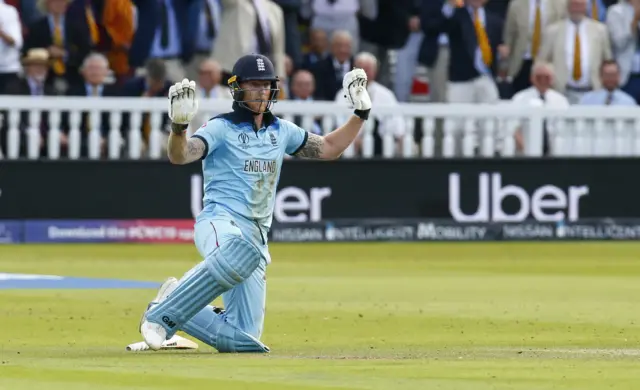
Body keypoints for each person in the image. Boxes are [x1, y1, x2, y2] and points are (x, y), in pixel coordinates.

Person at [135, 53, 371, 353]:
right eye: (253, 85)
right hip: (219, 222)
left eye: (266, 85)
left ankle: (173, 297)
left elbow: (329, 148)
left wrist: (361, 113)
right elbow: (181, 155)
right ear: (237, 89)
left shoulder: (281, 131)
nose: (261, 91)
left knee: (245, 340)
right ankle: (160, 317)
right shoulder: (221, 127)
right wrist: (179, 127)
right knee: (237, 252)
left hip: (256, 238)